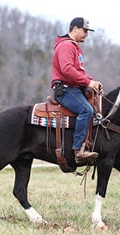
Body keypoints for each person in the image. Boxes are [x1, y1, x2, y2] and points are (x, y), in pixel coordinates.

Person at [51, 17, 103, 164]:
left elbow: (79, 71)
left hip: (74, 89)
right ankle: (78, 150)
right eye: (85, 30)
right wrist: (87, 82)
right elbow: (67, 70)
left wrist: (93, 81)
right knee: (86, 110)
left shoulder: (74, 47)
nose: (87, 34)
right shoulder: (66, 46)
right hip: (66, 90)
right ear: (75, 29)